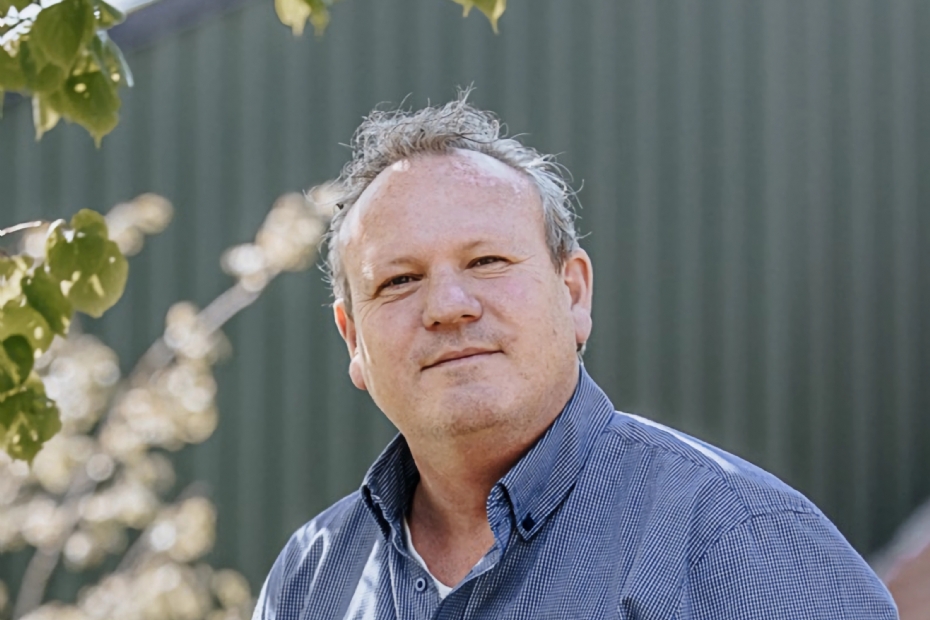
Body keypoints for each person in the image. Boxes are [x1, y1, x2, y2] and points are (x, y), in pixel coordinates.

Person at [252, 95, 898, 619]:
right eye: (399, 280)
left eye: (487, 261)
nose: (448, 306)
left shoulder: (736, 542)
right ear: (353, 340)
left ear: (574, 293)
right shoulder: (311, 579)